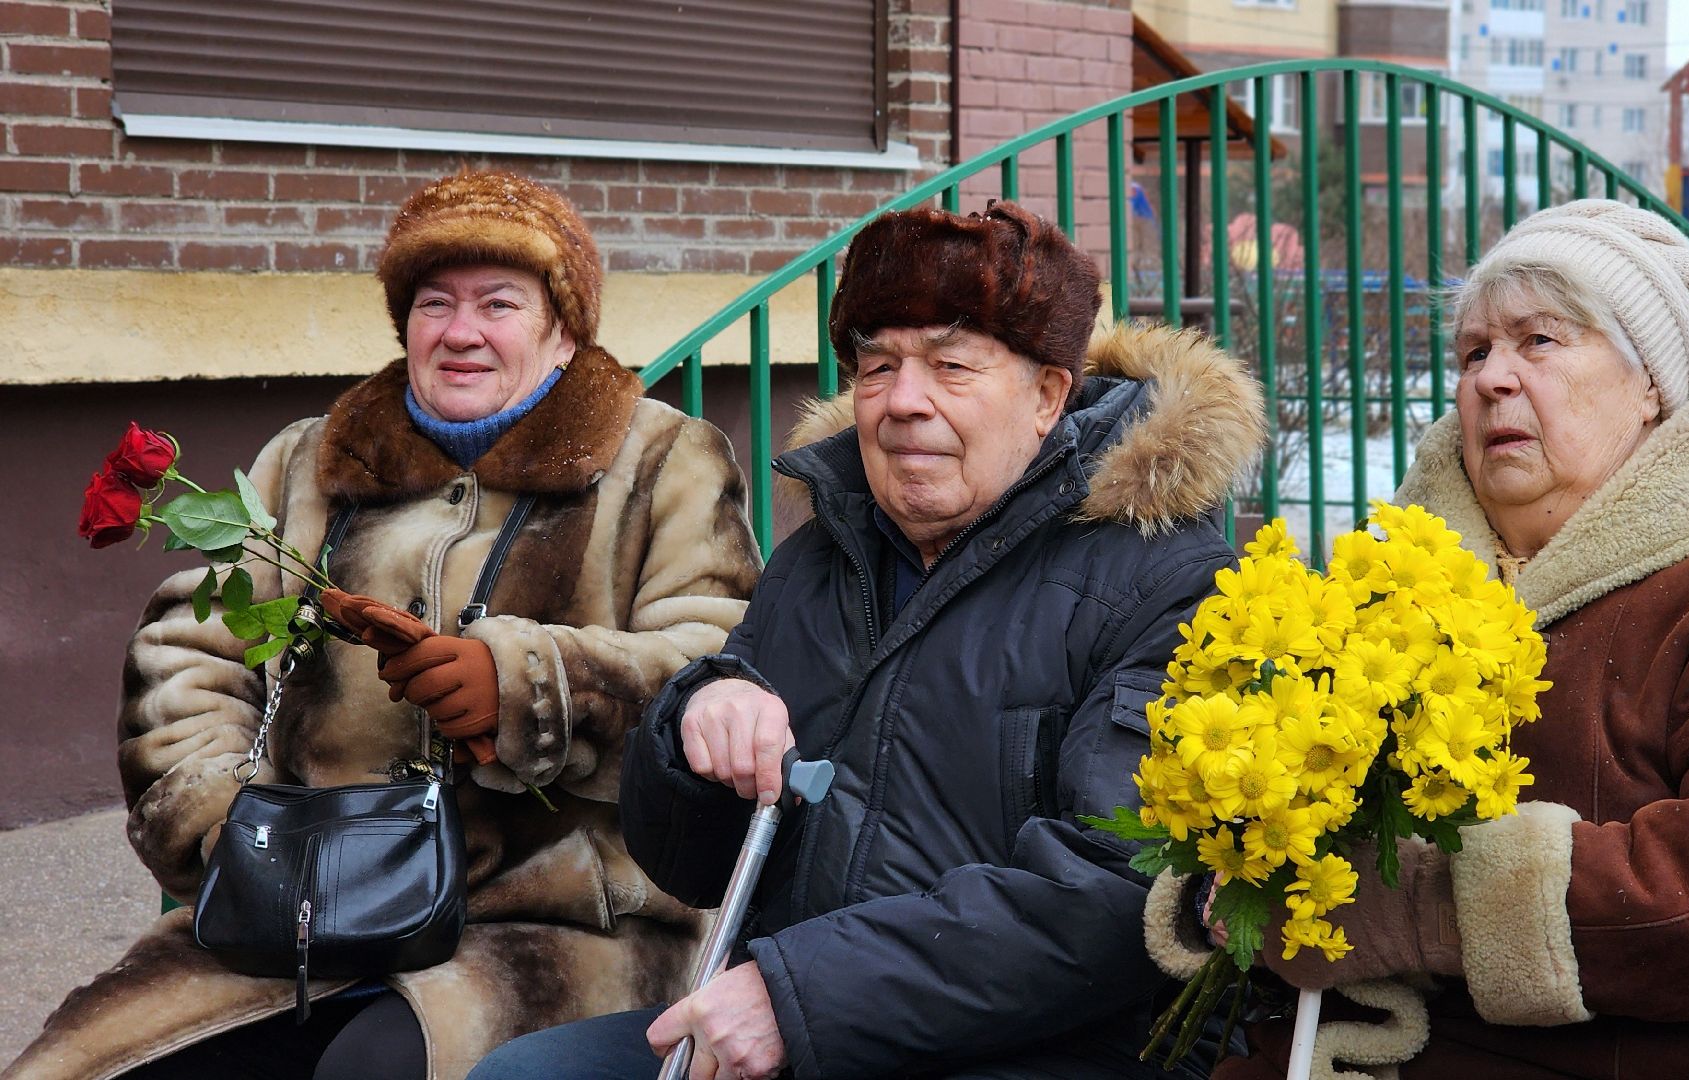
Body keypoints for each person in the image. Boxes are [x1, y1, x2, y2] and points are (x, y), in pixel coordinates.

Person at [468, 201, 1267, 1080]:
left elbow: (1121, 888)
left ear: (1048, 396)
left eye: (952, 367)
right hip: (796, 1019)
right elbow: (693, 868)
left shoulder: (1171, 578)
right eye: (879, 365)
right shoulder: (826, 550)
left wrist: (802, 996)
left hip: (1048, 1046)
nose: (903, 403)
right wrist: (700, 723)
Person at [5, 171, 761, 1080]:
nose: (461, 331)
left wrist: (529, 689)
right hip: (302, 901)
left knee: (376, 1069)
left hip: (555, 916)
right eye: (433, 303)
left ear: (563, 327)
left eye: (499, 303)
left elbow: (713, 665)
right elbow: (190, 657)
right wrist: (222, 826)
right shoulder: (309, 459)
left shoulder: (663, 461)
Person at [1151, 199, 1689, 1079]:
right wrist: (1235, 873)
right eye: (1475, 352)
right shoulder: (1396, 589)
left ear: (1652, 384)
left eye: (1540, 341)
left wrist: (1425, 911)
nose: (1491, 380)